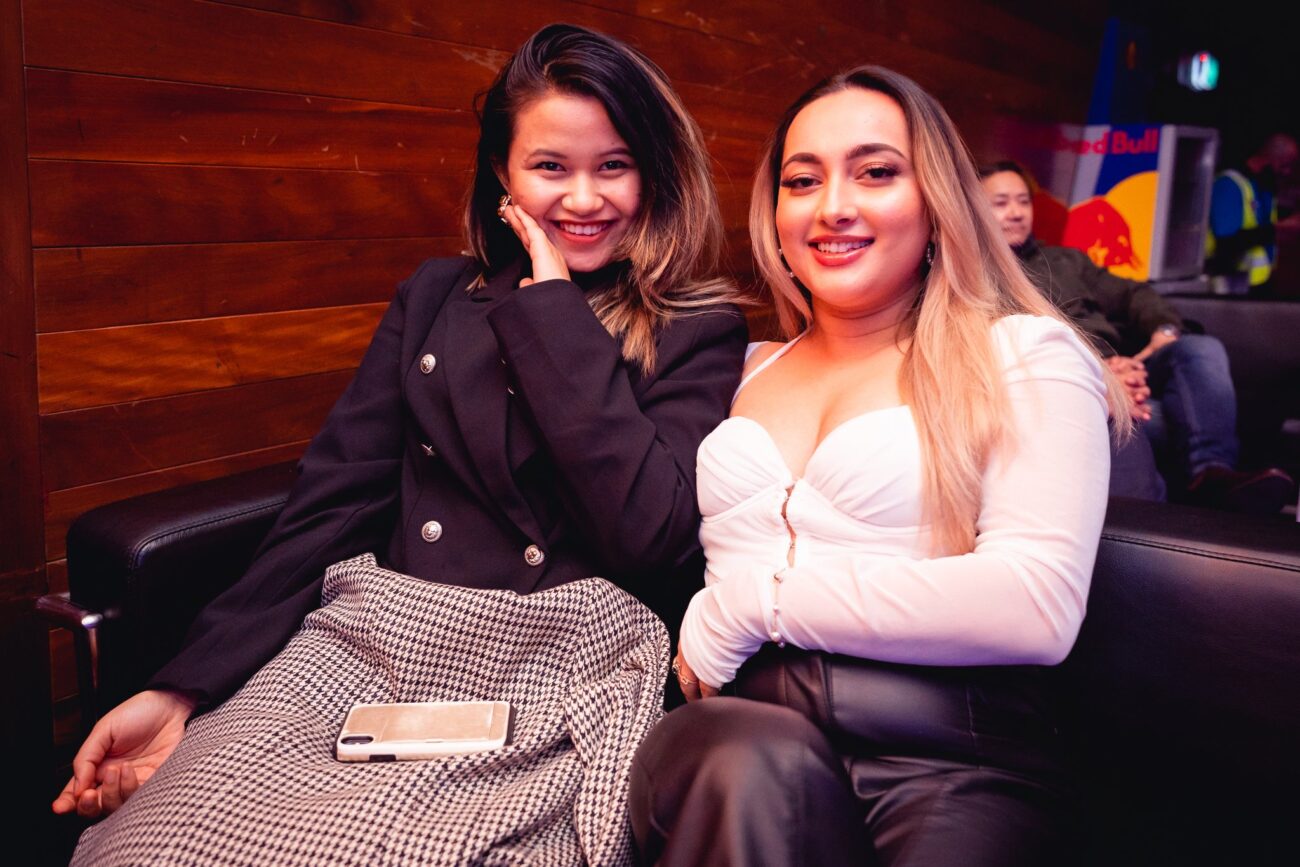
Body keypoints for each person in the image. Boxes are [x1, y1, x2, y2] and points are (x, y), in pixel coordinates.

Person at [52, 23, 748, 865]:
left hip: (557, 661)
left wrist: (553, 309)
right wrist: (181, 688)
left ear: (655, 171)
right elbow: (330, 503)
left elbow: (650, 533)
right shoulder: (435, 297)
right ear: (502, 174)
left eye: (614, 166)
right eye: (550, 167)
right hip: (373, 641)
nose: (582, 199)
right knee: (157, 843)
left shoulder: (695, 327)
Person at [628, 66, 1128, 867]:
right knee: (744, 760)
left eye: (876, 172)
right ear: (776, 215)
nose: (833, 206)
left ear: (936, 201)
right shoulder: (736, 366)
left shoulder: (1023, 353)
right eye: (803, 180)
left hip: (949, 758)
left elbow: (1037, 602)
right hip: (731, 745)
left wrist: (757, 603)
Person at [981, 160, 1296, 514]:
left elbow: (1134, 294)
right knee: (1151, 417)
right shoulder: (977, 276)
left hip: (1130, 369)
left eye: (1023, 201)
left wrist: (1163, 330)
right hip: (1075, 385)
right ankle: (1166, 518)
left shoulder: (1065, 261)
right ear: (975, 208)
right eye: (1001, 203)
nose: (1016, 213)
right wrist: (1099, 374)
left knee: (1199, 348)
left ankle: (1211, 473)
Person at [1207, 132, 1300, 295]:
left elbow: (1261, 222)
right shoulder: (1229, 185)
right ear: (1272, 158)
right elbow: (1228, 242)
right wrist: (1280, 228)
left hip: (1255, 283)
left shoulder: (1261, 186)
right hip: (1227, 286)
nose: (1286, 172)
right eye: (1284, 165)